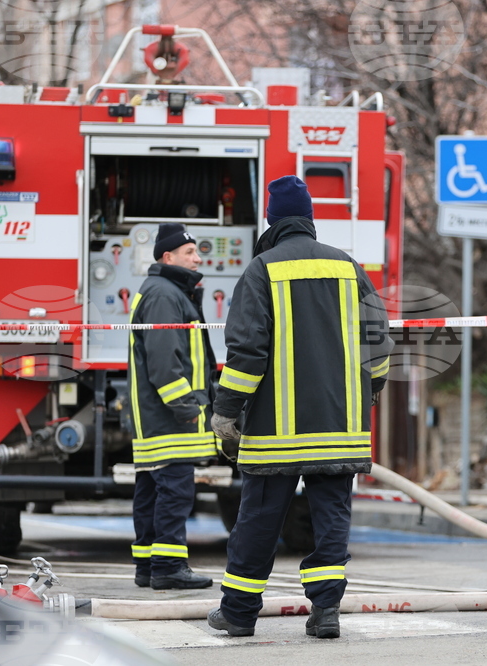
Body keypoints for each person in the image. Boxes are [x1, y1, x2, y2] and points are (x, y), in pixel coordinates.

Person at [206, 175, 391, 639]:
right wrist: (370, 388)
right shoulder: (348, 267)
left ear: (271, 220)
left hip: (277, 433)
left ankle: (239, 613)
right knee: (331, 519)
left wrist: (226, 411)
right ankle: (326, 612)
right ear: (309, 218)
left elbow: (247, 352)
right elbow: (379, 341)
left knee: (258, 520)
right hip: (339, 427)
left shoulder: (261, 270)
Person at [128, 223, 216, 590]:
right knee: (175, 491)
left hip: (155, 415)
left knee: (151, 489)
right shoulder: (165, 295)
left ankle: (148, 566)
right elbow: (165, 362)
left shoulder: (163, 291)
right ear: (168, 257)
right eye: (190, 253)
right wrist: (186, 407)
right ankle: (167, 567)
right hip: (169, 417)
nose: (198, 259)